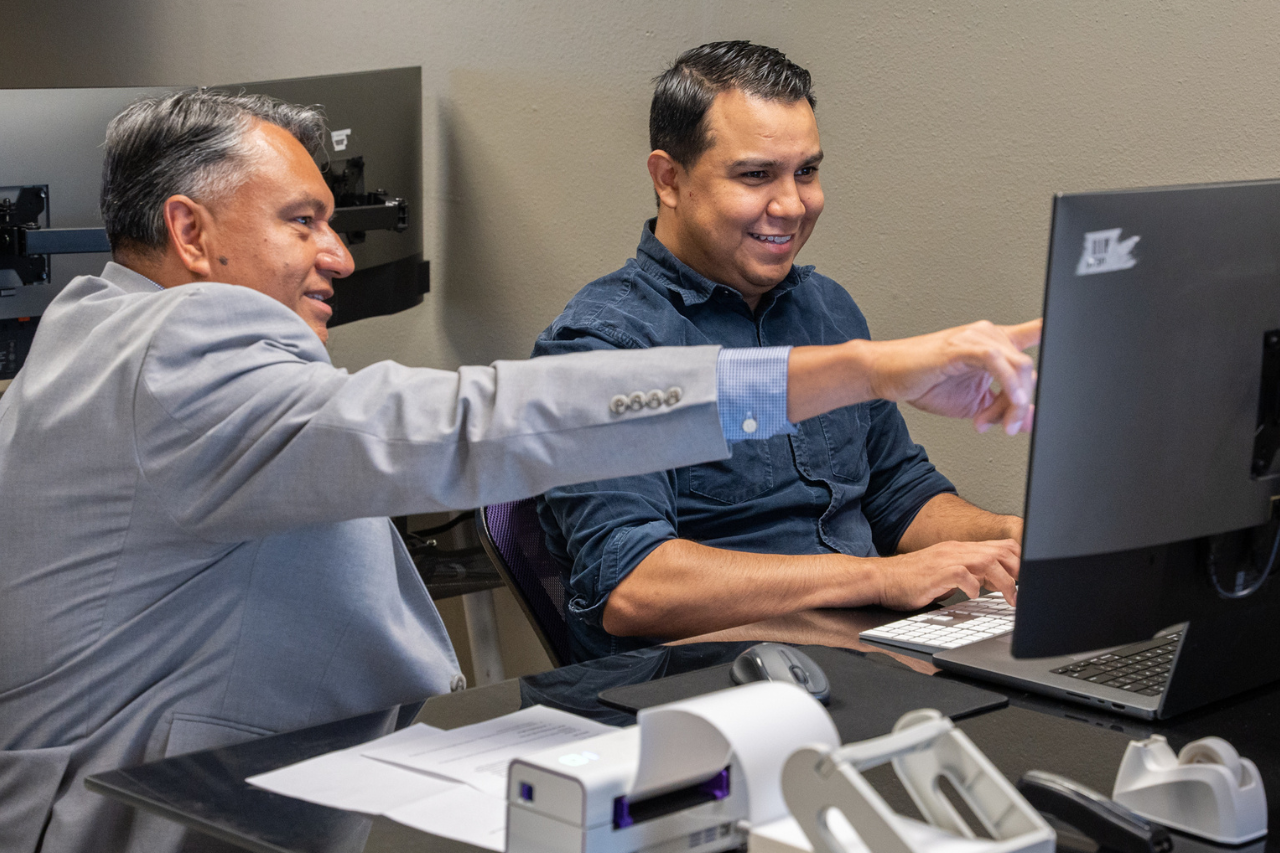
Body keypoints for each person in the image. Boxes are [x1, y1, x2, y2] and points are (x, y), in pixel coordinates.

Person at [0, 89, 1034, 853]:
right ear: (189, 232)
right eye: (303, 222)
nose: (342, 258)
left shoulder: (107, 341)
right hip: (146, 815)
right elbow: (469, 424)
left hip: (272, 776)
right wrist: (861, 371)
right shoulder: (179, 342)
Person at [535, 41, 1040, 662]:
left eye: (806, 171)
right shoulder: (602, 344)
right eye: (756, 176)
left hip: (864, 646)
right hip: (714, 682)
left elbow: (895, 492)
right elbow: (632, 586)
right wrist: (881, 578)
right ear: (670, 179)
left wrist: (1008, 538)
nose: (793, 205)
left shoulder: (824, 307)